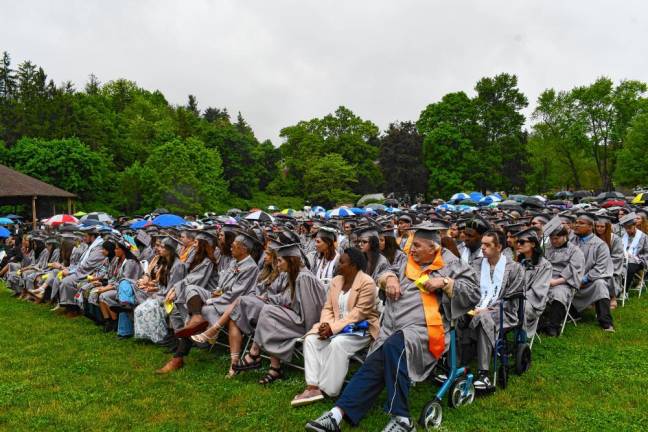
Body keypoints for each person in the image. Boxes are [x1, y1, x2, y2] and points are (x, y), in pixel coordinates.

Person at [305, 222, 479, 432]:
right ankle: (336, 415)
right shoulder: (408, 261)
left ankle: (402, 418)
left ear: (435, 249)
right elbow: (386, 271)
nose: (411, 249)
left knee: (394, 346)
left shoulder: (453, 265)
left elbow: (473, 293)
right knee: (375, 362)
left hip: (424, 329)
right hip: (392, 325)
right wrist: (390, 280)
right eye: (412, 245)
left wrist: (445, 283)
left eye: (418, 246)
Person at [292, 248, 379, 406]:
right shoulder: (337, 281)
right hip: (335, 326)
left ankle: (328, 390)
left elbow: (358, 314)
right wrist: (326, 324)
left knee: (338, 344)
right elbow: (328, 308)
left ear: (353, 265)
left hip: (360, 329)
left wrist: (333, 329)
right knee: (311, 339)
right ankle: (312, 386)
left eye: (342, 262)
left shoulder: (367, 283)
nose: (338, 264)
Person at [234, 243, 326, 385]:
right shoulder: (295, 275)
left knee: (269, 313)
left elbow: (310, 311)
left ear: (291, 260)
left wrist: (309, 333)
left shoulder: (304, 278)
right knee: (268, 311)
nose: (277, 265)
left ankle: (254, 354)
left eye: (280, 261)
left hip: (306, 324)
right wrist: (267, 298)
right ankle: (274, 368)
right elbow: (287, 299)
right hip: (296, 318)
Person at [458, 230, 525, 390]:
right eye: (482, 244)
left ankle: (484, 374)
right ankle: (458, 365)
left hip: (503, 311)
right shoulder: (476, 264)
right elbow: (469, 286)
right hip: (476, 307)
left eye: (487, 245)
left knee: (484, 318)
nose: (483, 248)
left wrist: (488, 308)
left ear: (499, 247)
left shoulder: (514, 268)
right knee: (457, 315)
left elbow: (512, 296)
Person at [572, 213, 615, 332]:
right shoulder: (570, 241)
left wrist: (583, 280)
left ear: (591, 227)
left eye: (581, 223)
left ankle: (606, 322)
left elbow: (600, 268)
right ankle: (571, 313)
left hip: (589, 282)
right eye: (576, 222)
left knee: (600, 285)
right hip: (569, 280)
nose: (576, 225)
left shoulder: (600, 245)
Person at [540, 226, 585, 336]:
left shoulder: (575, 251)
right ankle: (537, 323)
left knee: (558, 294)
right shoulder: (547, 248)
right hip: (545, 278)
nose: (553, 241)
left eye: (556, 238)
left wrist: (555, 282)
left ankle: (553, 326)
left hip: (563, 282)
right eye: (551, 239)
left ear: (565, 236)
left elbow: (574, 270)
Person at [57, 226, 106, 316]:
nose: (83, 238)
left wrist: (71, 272)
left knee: (67, 281)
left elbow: (89, 265)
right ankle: (67, 306)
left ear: (92, 236)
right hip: (81, 271)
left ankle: (73, 309)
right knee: (60, 276)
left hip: (90, 273)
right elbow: (80, 263)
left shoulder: (99, 248)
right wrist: (69, 269)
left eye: (85, 236)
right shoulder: (91, 246)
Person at [515, 228, 552, 340]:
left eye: (522, 242)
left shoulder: (545, 265)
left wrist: (517, 297)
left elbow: (539, 290)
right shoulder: (517, 263)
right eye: (517, 242)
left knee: (521, 306)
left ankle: (521, 340)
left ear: (532, 244)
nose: (518, 245)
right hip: (514, 297)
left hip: (532, 303)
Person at [594, 215, 624, 308]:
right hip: (595, 266)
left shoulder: (615, 239)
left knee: (607, 275)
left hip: (612, 267)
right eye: (597, 226)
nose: (599, 229)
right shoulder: (593, 238)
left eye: (602, 226)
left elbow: (618, 257)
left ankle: (613, 297)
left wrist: (604, 264)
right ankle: (594, 299)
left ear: (607, 227)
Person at [619, 212, 648, 293]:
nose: (627, 230)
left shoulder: (643, 237)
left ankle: (624, 291)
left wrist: (636, 257)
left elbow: (647, 252)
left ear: (634, 225)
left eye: (629, 228)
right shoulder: (623, 236)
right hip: (623, 259)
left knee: (630, 267)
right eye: (626, 228)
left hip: (638, 261)